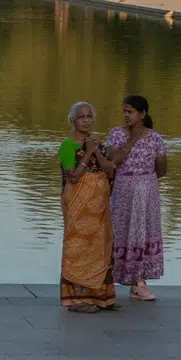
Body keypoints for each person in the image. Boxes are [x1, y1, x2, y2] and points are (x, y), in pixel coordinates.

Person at [104, 96, 167, 302]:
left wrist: (143, 181)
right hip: (123, 191)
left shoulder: (155, 138)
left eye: (130, 111)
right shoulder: (116, 134)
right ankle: (106, 281)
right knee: (120, 233)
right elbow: (114, 161)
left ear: (142, 114)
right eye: (124, 111)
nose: (125, 115)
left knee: (142, 233)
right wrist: (132, 140)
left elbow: (162, 169)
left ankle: (139, 283)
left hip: (147, 193)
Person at [58, 102, 116, 313]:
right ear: (73, 121)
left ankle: (101, 297)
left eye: (89, 116)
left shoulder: (98, 144)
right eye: (82, 117)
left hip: (99, 205)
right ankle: (77, 300)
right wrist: (87, 154)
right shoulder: (67, 145)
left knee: (100, 247)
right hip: (78, 204)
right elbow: (72, 177)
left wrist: (95, 152)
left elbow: (110, 170)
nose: (86, 120)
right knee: (78, 247)